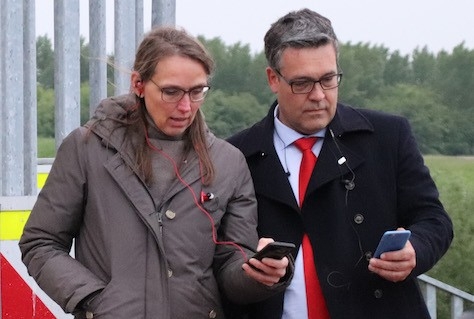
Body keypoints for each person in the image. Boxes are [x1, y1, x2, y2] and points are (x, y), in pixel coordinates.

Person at [19, 26, 292, 319]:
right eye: (171, 91)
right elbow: (40, 243)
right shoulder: (86, 148)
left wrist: (259, 274)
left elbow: (230, 266)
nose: (186, 107)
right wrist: (95, 301)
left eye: (197, 91)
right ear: (138, 84)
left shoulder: (228, 162)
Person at [227, 8, 453, 319]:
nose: (319, 95)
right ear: (272, 79)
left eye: (328, 79)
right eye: (302, 83)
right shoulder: (236, 154)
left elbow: (433, 218)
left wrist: (416, 249)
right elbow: (221, 251)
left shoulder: (387, 137)